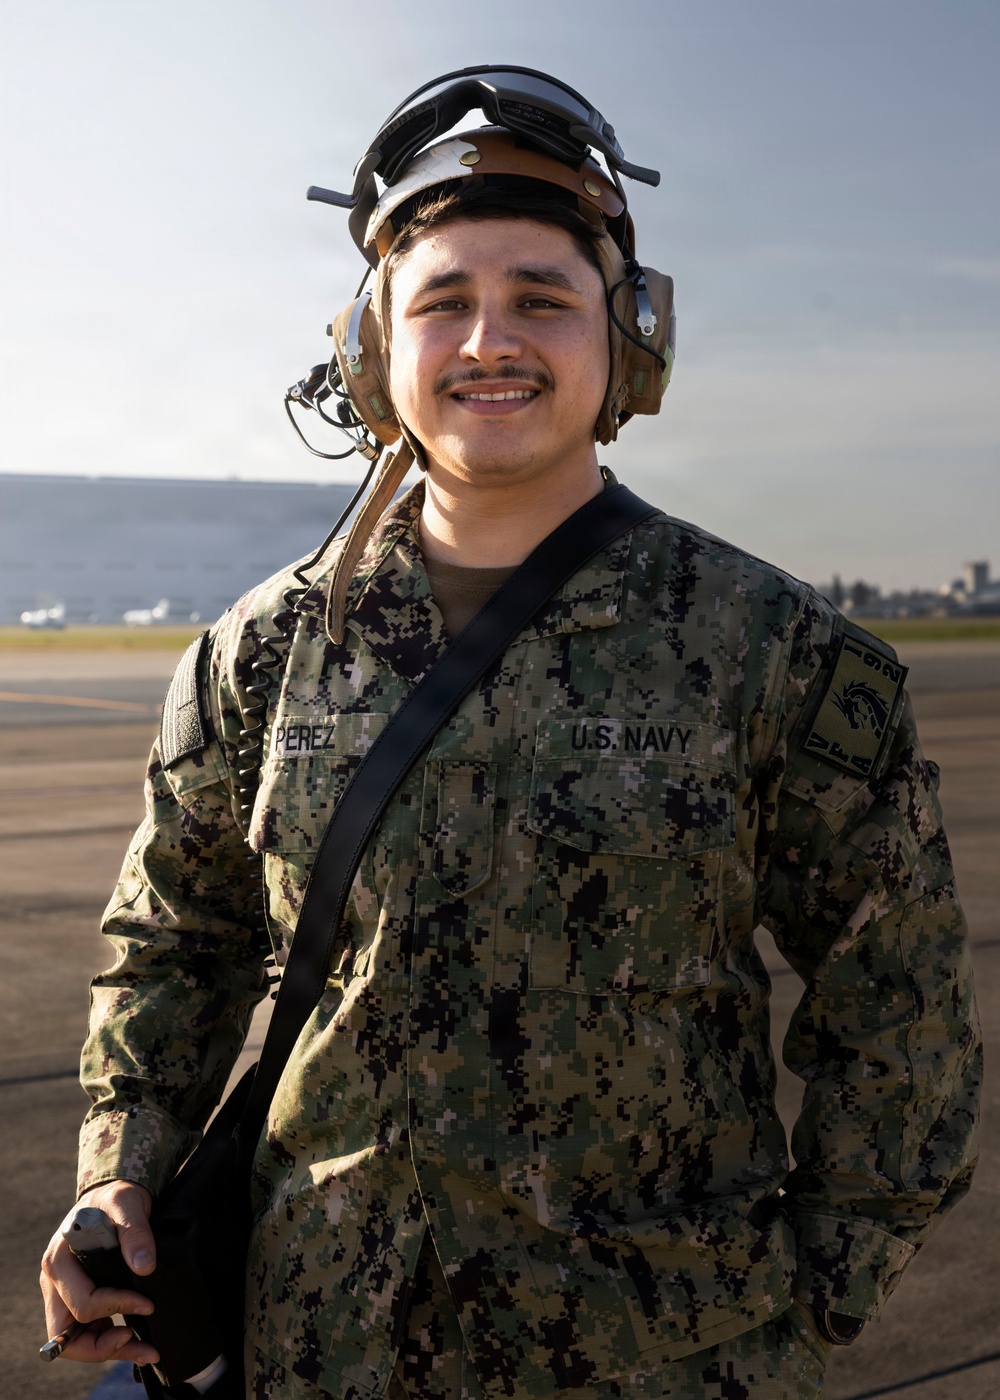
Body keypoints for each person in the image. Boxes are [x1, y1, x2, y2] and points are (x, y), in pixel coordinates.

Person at [41, 67, 980, 1400]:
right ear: (374, 349)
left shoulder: (774, 653)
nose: (491, 340)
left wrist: (810, 1306)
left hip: (661, 1368)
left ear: (629, 342)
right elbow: (175, 943)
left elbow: (902, 1016)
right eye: (442, 304)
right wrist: (118, 1173)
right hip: (319, 1350)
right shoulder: (263, 655)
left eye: (542, 297)